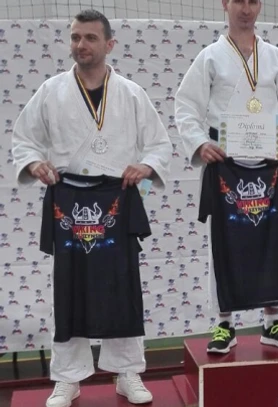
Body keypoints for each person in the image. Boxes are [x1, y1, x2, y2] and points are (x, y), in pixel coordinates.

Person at [11, 9, 172, 407]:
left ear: (109, 44)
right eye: (75, 37)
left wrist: (145, 167)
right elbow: (23, 138)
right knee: (69, 287)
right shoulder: (51, 90)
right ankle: (67, 377)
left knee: (122, 285)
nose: (81, 45)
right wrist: (34, 163)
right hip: (68, 200)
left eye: (90, 38)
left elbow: (159, 144)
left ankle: (127, 371)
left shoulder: (131, 93)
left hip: (116, 198)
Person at [174, 0, 278, 354]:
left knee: (273, 243)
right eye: (238, 1)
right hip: (226, 164)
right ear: (225, 4)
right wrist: (200, 143)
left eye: (252, 1)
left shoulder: (275, 57)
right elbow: (186, 105)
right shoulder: (210, 57)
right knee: (224, 243)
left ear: (259, 5)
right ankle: (224, 324)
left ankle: (273, 322)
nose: (245, 9)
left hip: (270, 165)